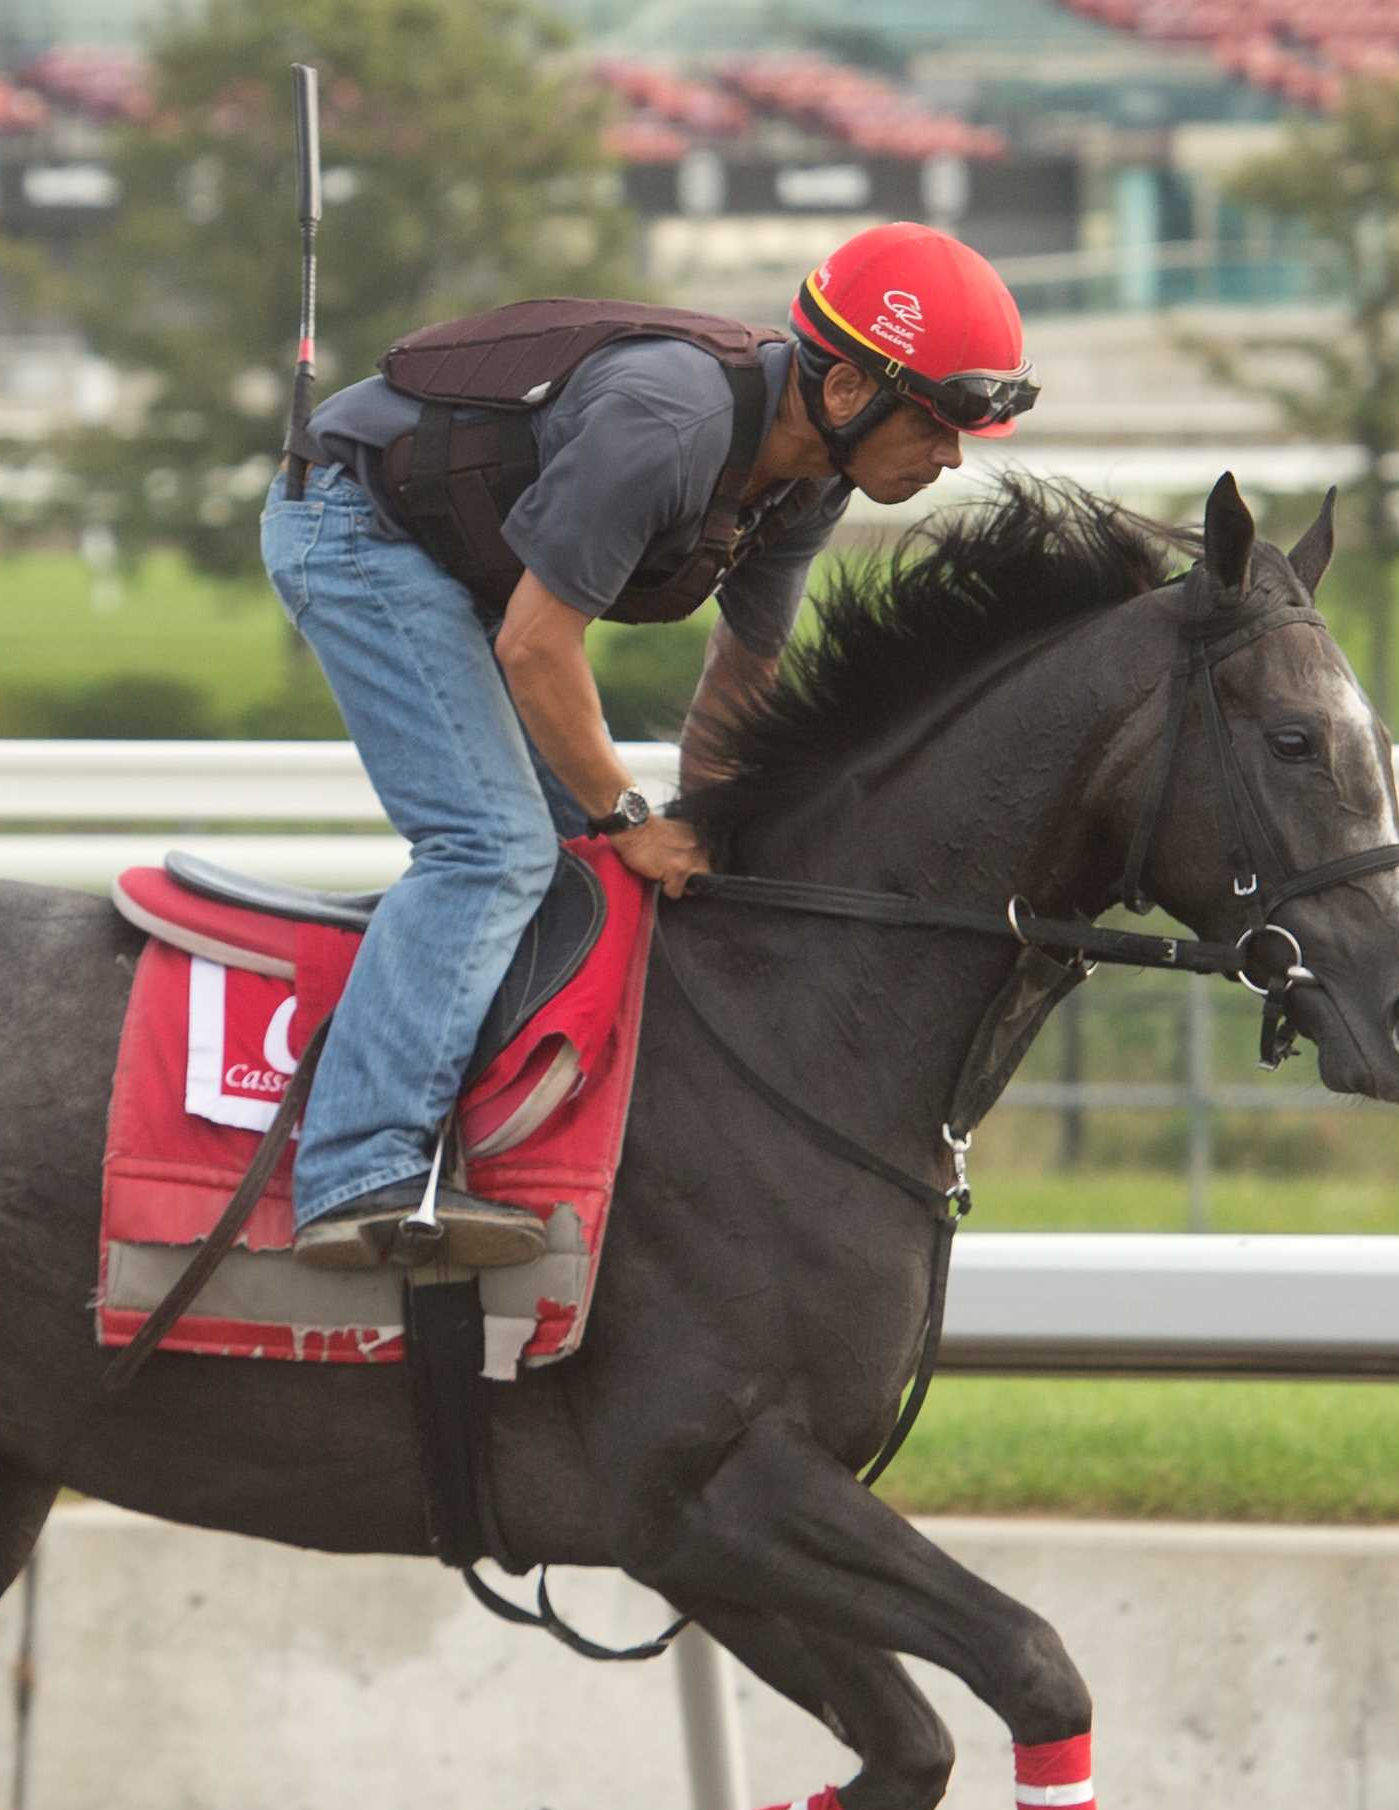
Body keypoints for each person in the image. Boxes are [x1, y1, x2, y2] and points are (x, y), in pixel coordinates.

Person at [263, 221, 1038, 1270]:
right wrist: (633, 816)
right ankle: (355, 1170)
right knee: (493, 848)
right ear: (850, 389)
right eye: (938, 426)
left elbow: (747, 666)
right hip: (356, 529)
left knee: (573, 855)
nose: (947, 460)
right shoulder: (667, 425)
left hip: (464, 565)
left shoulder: (811, 476)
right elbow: (537, 645)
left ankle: (476, 1126)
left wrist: (708, 834)